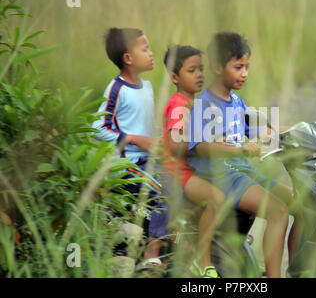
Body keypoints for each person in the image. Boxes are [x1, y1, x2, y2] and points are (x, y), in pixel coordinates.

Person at [187, 32, 302, 278]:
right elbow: (201, 146)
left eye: (247, 67)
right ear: (218, 67)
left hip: (245, 173)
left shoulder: (237, 102)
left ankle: (297, 271)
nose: (244, 74)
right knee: (278, 212)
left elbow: (265, 129)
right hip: (223, 176)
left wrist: (304, 131)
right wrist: (238, 149)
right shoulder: (204, 105)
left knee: (302, 205)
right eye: (238, 67)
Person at [92, 27, 171, 268]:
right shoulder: (116, 89)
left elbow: (144, 124)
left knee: (181, 181)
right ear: (128, 58)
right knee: (162, 193)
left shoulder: (146, 86)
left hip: (148, 160)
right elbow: (98, 128)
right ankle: (151, 254)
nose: (151, 53)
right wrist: (136, 139)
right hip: (127, 164)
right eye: (145, 49)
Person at [162, 45, 225, 278]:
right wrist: (200, 146)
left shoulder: (195, 103)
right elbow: (175, 145)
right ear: (175, 77)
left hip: (192, 169)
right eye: (192, 70)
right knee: (215, 199)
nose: (199, 74)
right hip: (178, 171)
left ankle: (226, 255)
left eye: (201, 69)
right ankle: (204, 261)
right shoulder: (180, 105)